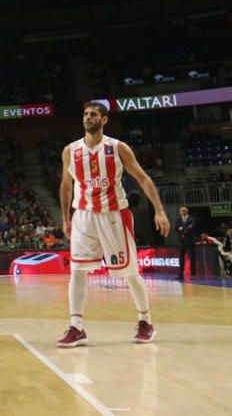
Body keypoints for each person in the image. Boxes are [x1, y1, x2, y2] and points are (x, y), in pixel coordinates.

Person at [57, 102, 171, 347]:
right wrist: (65, 218)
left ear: (104, 120)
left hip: (114, 215)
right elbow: (66, 186)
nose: (88, 117)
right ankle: (76, 326)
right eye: (86, 114)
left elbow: (142, 177)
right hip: (83, 215)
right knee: (77, 271)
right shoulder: (70, 150)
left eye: (93, 114)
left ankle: (145, 321)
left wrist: (159, 210)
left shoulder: (118, 148)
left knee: (129, 272)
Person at [176, 206, 196, 281]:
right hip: (182, 242)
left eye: (184, 210)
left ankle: (193, 274)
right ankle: (180, 275)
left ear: (187, 211)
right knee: (181, 258)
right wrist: (184, 230)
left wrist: (183, 229)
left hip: (190, 241)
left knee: (192, 258)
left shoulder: (191, 219)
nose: (183, 212)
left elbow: (191, 227)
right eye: (182, 210)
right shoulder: (178, 220)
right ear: (180, 212)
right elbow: (176, 228)